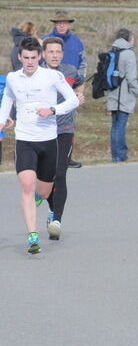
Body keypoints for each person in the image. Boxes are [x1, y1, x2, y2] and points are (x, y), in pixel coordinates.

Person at [0, 37, 79, 253]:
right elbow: (7, 98)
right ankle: (32, 236)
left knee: (43, 191)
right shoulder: (13, 78)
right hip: (24, 140)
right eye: (25, 58)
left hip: (48, 141)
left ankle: (43, 201)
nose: (29, 62)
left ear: (40, 56)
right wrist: (2, 119)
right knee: (26, 185)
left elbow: (72, 100)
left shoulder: (53, 76)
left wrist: (53, 110)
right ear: (19, 57)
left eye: (33, 58)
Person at [42, 37, 85, 241]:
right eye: (51, 52)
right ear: (44, 54)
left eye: (58, 52)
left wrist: (79, 96)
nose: (55, 55)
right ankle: (51, 207)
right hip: (42, 131)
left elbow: (80, 83)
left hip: (65, 129)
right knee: (45, 176)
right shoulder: (37, 74)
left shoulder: (69, 71)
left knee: (60, 173)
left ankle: (56, 219)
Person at [106, 28, 138, 163]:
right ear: (129, 38)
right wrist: (137, 92)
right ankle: (121, 155)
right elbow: (131, 78)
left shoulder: (112, 51)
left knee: (115, 125)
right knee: (121, 125)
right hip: (124, 95)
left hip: (112, 93)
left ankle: (115, 155)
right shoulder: (129, 54)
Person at [43, 11, 86, 79]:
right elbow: (39, 61)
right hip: (49, 81)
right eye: (59, 23)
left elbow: (83, 63)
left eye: (65, 23)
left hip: (71, 82)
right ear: (54, 24)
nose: (62, 26)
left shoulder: (77, 42)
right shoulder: (44, 40)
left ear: (69, 25)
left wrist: (80, 78)